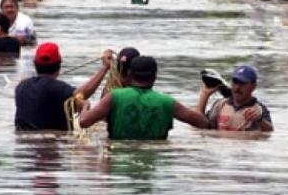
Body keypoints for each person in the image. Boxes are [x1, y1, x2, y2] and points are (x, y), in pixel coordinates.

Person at [79, 56, 210, 139]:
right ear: (155, 76)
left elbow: (84, 122)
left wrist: (85, 106)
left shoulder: (114, 96)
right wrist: (205, 95)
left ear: (130, 74)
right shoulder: (167, 102)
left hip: (119, 161)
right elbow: (203, 123)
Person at [15, 43, 113, 131]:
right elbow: (82, 94)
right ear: (59, 65)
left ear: (35, 64)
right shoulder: (58, 89)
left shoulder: (20, 87)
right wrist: (104, 68)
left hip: (23, 141)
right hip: (50, 144)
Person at [196, 65, 272, 132]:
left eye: (242, 83)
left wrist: (259, 120)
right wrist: (204, 95)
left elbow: (269, 133)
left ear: (253, 86)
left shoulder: (258, 110)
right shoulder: (220, 105)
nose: (237, 87)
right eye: (235, 82)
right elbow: (199, 125)